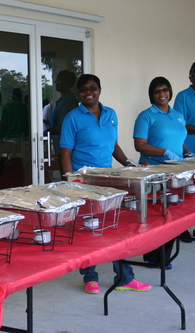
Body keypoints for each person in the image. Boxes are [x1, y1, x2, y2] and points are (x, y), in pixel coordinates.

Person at [60, 74, 151, 294]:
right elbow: (65, 153)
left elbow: (114, 146)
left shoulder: (111, 114)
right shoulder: (73, 117)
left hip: (109, 181)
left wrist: (131, 164)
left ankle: (124, 277)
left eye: (92, 88)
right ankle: (90, 277)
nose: (88, 92)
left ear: (100, 90)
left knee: (114, 229)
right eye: (83, 89)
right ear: (79, 92)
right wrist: (70, 182)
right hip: (83, 182)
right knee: (89, 229)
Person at [133, 76, 191, 268]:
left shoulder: (178, 114)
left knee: (173, 213)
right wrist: (165, 152)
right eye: (157, 91)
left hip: (176, 171)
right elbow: (140, 145)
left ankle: (165, 256)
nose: (161, 94)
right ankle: (152, 256)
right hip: (154, 171)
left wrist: (187, 152)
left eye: (165, 90)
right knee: (156, 214)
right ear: (151, 94)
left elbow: (178, 138)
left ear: (170, 91)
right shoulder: (146, 116)